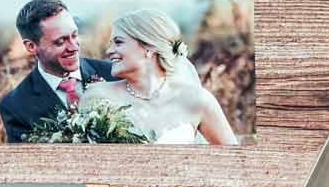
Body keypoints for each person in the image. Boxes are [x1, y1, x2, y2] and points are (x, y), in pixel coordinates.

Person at [79, 9, 238, 145]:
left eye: (118, 42)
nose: (109, 51)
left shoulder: (198, 100)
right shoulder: (97, 97)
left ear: (148, 47)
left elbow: (236, 161)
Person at [0, 0, 114, 143]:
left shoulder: (113, 74)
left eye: (74, 35)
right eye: (60, 41)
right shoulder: (15, 106)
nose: (74, 47)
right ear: (31, 46)